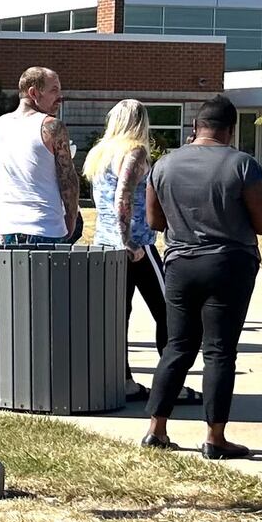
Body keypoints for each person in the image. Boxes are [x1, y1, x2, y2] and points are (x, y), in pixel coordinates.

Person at [142, 96, 262, 459]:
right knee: (219, 351)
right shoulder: (241, 165)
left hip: (180, 265)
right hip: (228, 263)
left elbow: (154, 222)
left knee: (177, 347)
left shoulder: (164, 164)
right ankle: (214, 438)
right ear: (230, 130)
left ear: (195, 128)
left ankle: (156, 429)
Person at [85, 99, 189, 405]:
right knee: (170, 312)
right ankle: (172, 386)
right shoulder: (135, 153)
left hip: (104, 245)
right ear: (141, 123)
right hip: (137, 246)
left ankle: (124, 380)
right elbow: (123, 199)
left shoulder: (99, 154)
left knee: (118, 317)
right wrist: (128, 240)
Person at [0, 66, 79, 246]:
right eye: (54, 90)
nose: (60, 97)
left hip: (6, 230)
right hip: (46, 229)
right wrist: (71, 217)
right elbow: (68, 178)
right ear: (33, 92)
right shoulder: (52, 127)